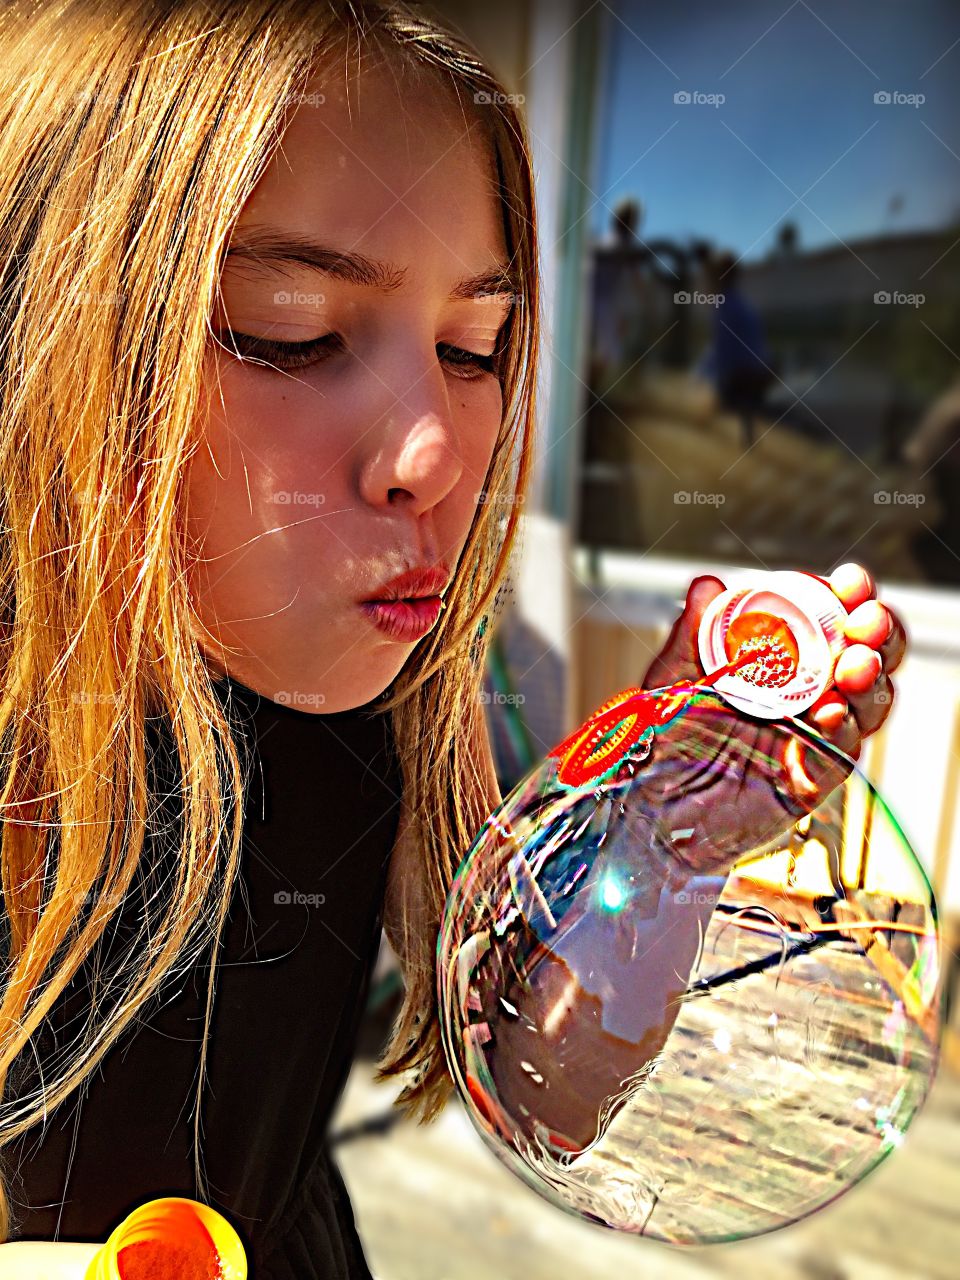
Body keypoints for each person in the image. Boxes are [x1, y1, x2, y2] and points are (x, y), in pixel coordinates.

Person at [0, 2, 906, 1277]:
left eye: (473, 347)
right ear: (43, 338)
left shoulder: (396, 690)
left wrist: (662, 834)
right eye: (293, 328)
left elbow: (543, 1085)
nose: (434, 454)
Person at [701, 250, 775, 447]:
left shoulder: (724, 306)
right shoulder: (743, 304)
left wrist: (709, 380)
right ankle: (746, 427)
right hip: (761, 370)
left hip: (745, 375)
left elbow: (723, 352)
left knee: (719, 401)